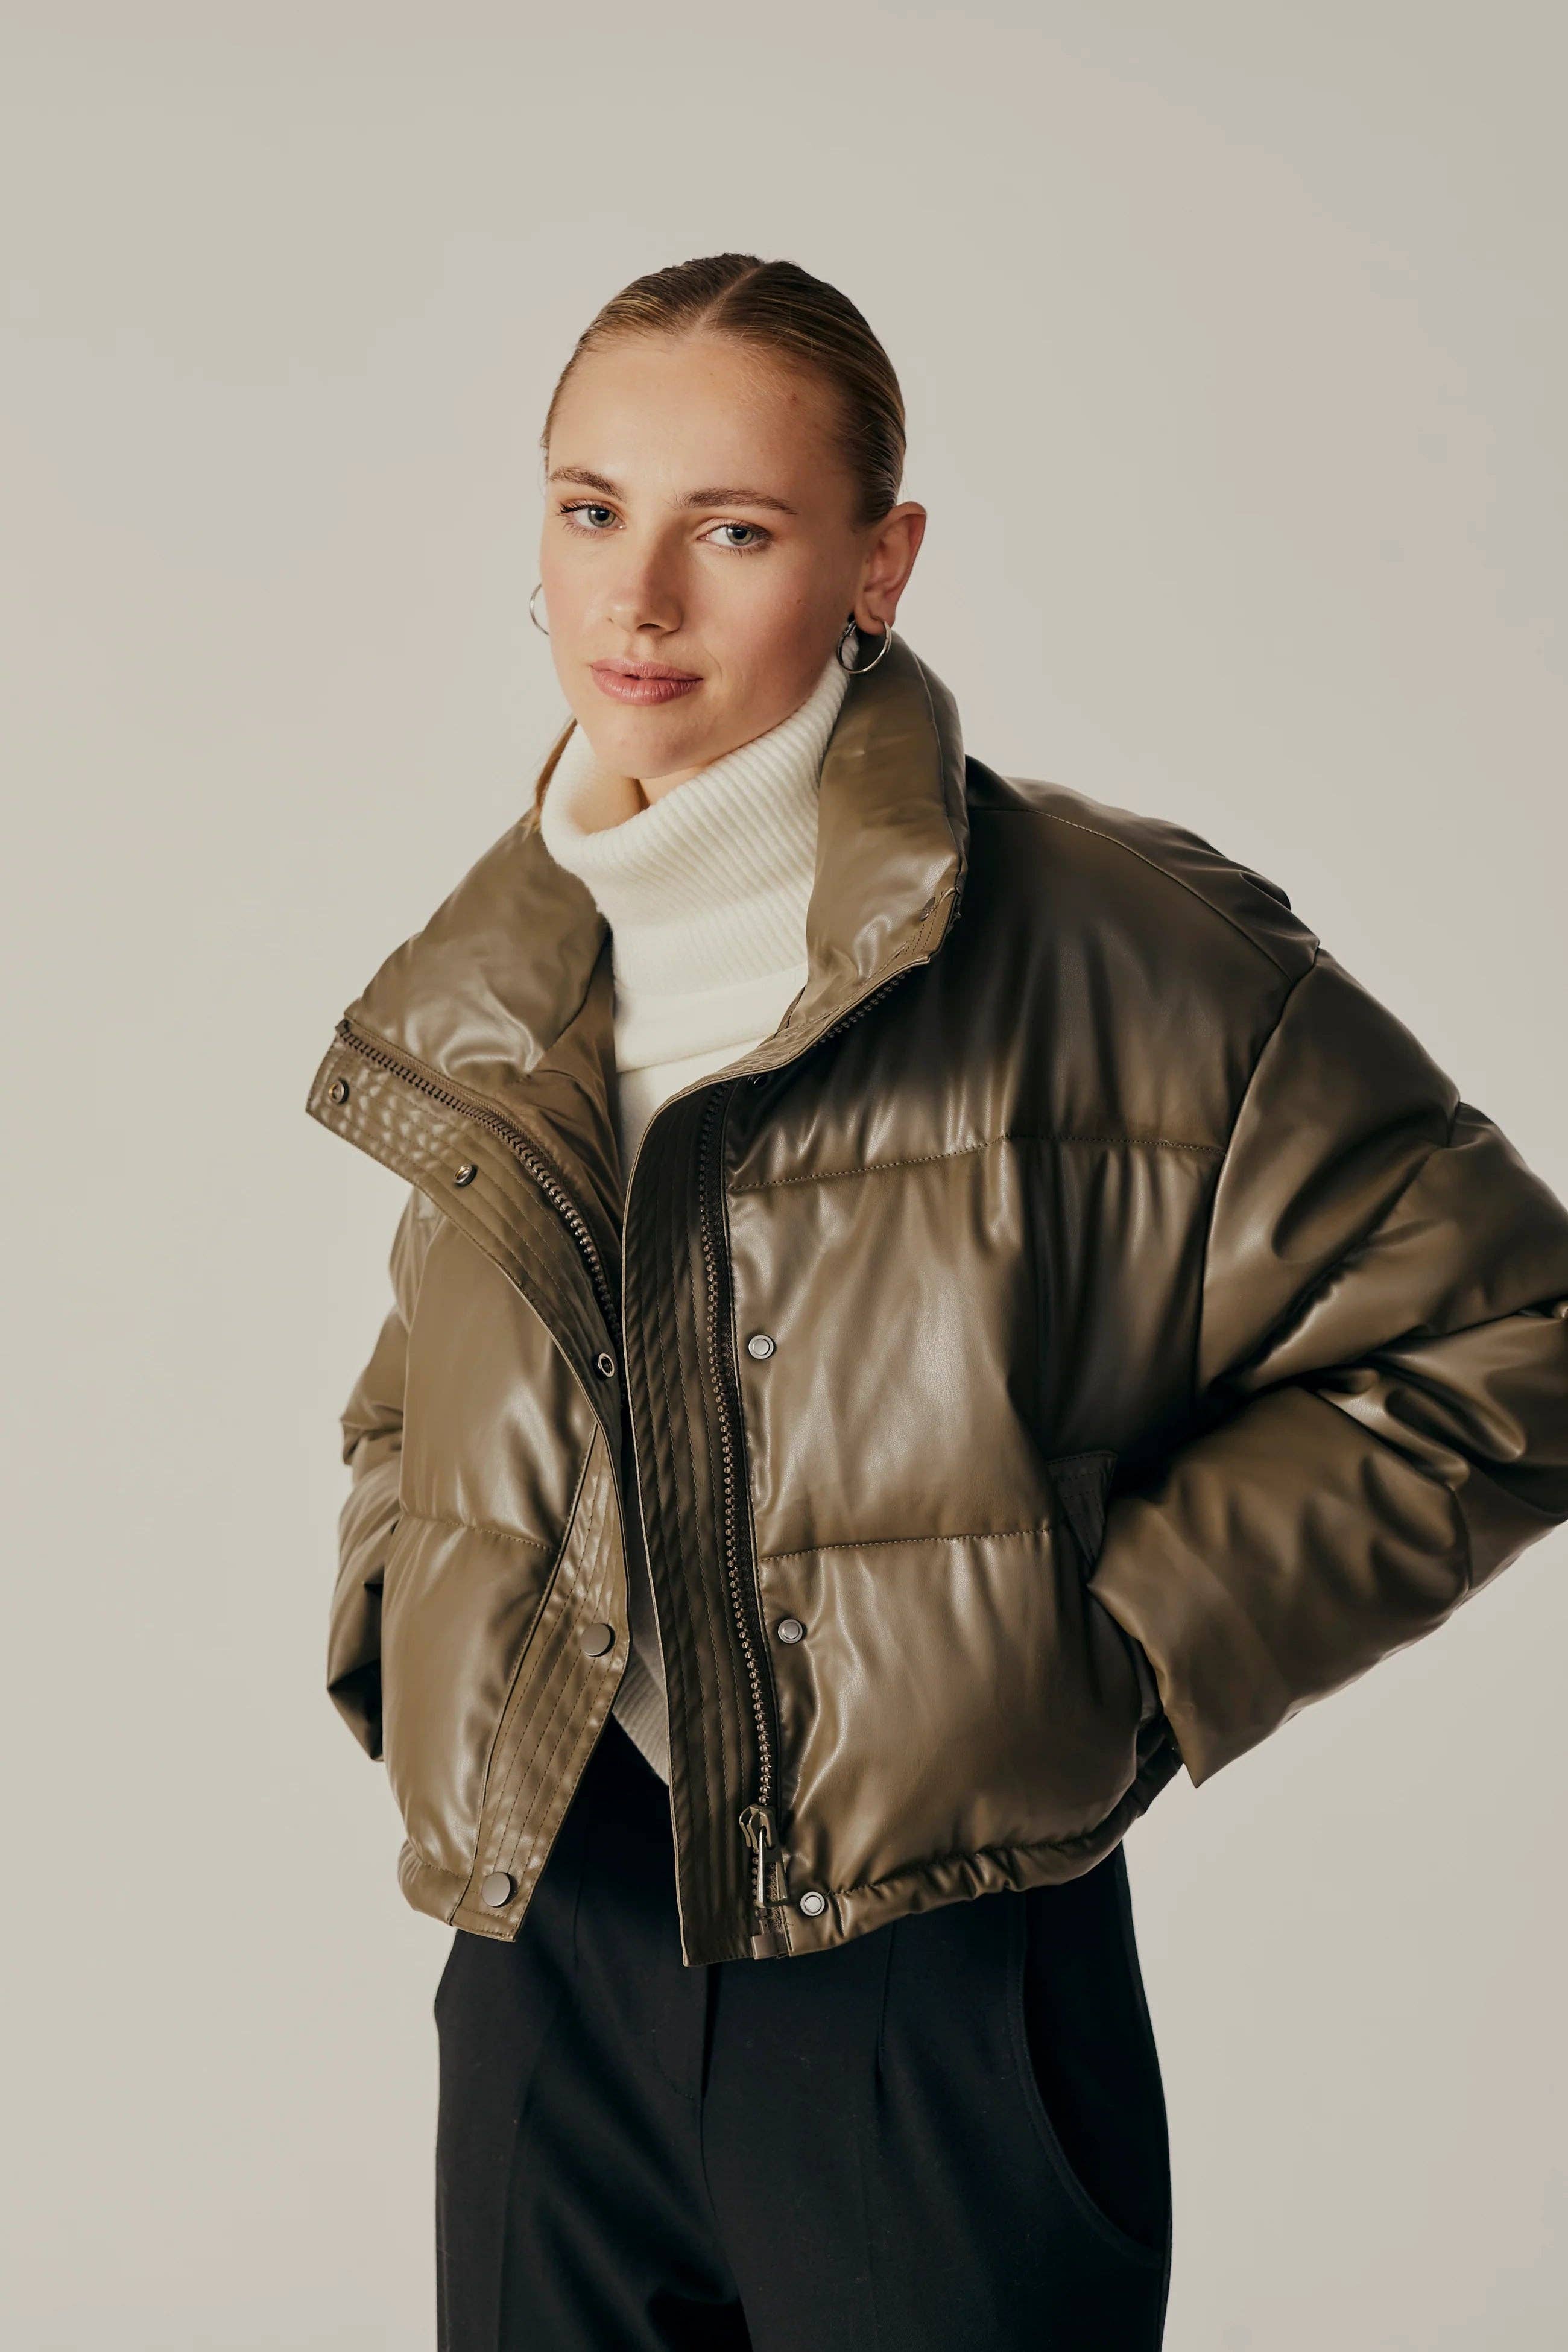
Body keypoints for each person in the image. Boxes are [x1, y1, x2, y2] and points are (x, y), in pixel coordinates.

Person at [304, 254, 1568, 2352]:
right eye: (591, 508)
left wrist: (1114, 1654)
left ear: (878, 564)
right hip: (553, 1957)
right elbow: (419, 1390)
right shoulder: (505, 970)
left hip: (931, 1981)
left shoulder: (1110, 941)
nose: (638, 600)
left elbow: (1509, 1333)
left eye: (733, 530)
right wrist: (404, 1615)